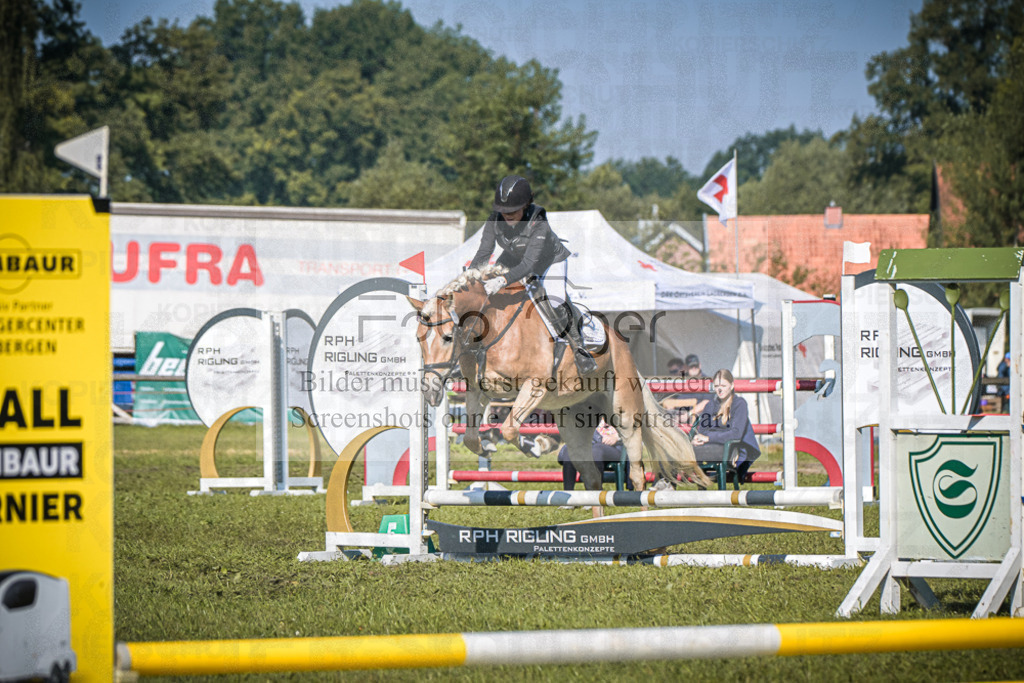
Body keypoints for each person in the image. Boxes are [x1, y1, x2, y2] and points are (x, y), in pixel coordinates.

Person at [468, 175, 597, 374]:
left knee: (554, 300)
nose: (507, 215)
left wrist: (502, 280)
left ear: (526, 205)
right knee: (487, 292)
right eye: (503, 211)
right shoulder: (495, 219)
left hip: (549, 261)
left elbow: (529, 264)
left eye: (512, 211)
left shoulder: (538, 221)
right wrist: (470, 277)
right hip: (513, 257)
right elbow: (484, 252)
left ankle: (579, 346)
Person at [690, 368, 760, 483]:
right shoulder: (710, 405)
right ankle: (665, 483)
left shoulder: (739, 404)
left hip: (730, 449)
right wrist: (696, 439)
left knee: (689, 453)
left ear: (731, 386)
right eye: (717, 386)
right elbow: (702, 431)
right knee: (676, 450)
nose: (720, 389)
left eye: (723, 385)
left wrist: (709, 438)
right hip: (709, 448)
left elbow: (735, 434)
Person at [557, 420, 632, 490]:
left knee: (596, 450)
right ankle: (568, 498)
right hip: (591, 445)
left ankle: (594, 496)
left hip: (616, 448)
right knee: (570, 451)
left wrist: (616, 437)